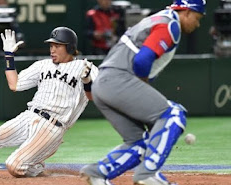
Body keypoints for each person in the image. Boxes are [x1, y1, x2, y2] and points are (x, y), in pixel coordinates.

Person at [0, 27, 99, 178]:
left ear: (70, 48)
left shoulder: (84, 67)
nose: (52, 49)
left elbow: (92, 96)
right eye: (51, 45)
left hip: (52, 126)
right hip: (29, 116)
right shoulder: (42, 65)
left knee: (14, 165)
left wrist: (87, 81)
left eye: (57, 45)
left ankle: (35, 166)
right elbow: (14, 84)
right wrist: (9, 54)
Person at [80, 0, 205, 185]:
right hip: (118, 80)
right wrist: (143, 88)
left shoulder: (160, 18)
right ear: (186, 12)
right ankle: (148, 174)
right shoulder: (170, 24)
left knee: (139, 142)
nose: (198, 23)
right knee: (173, 114)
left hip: (104, 84)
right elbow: (142, 61)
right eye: (197, 17)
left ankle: (97, 174)